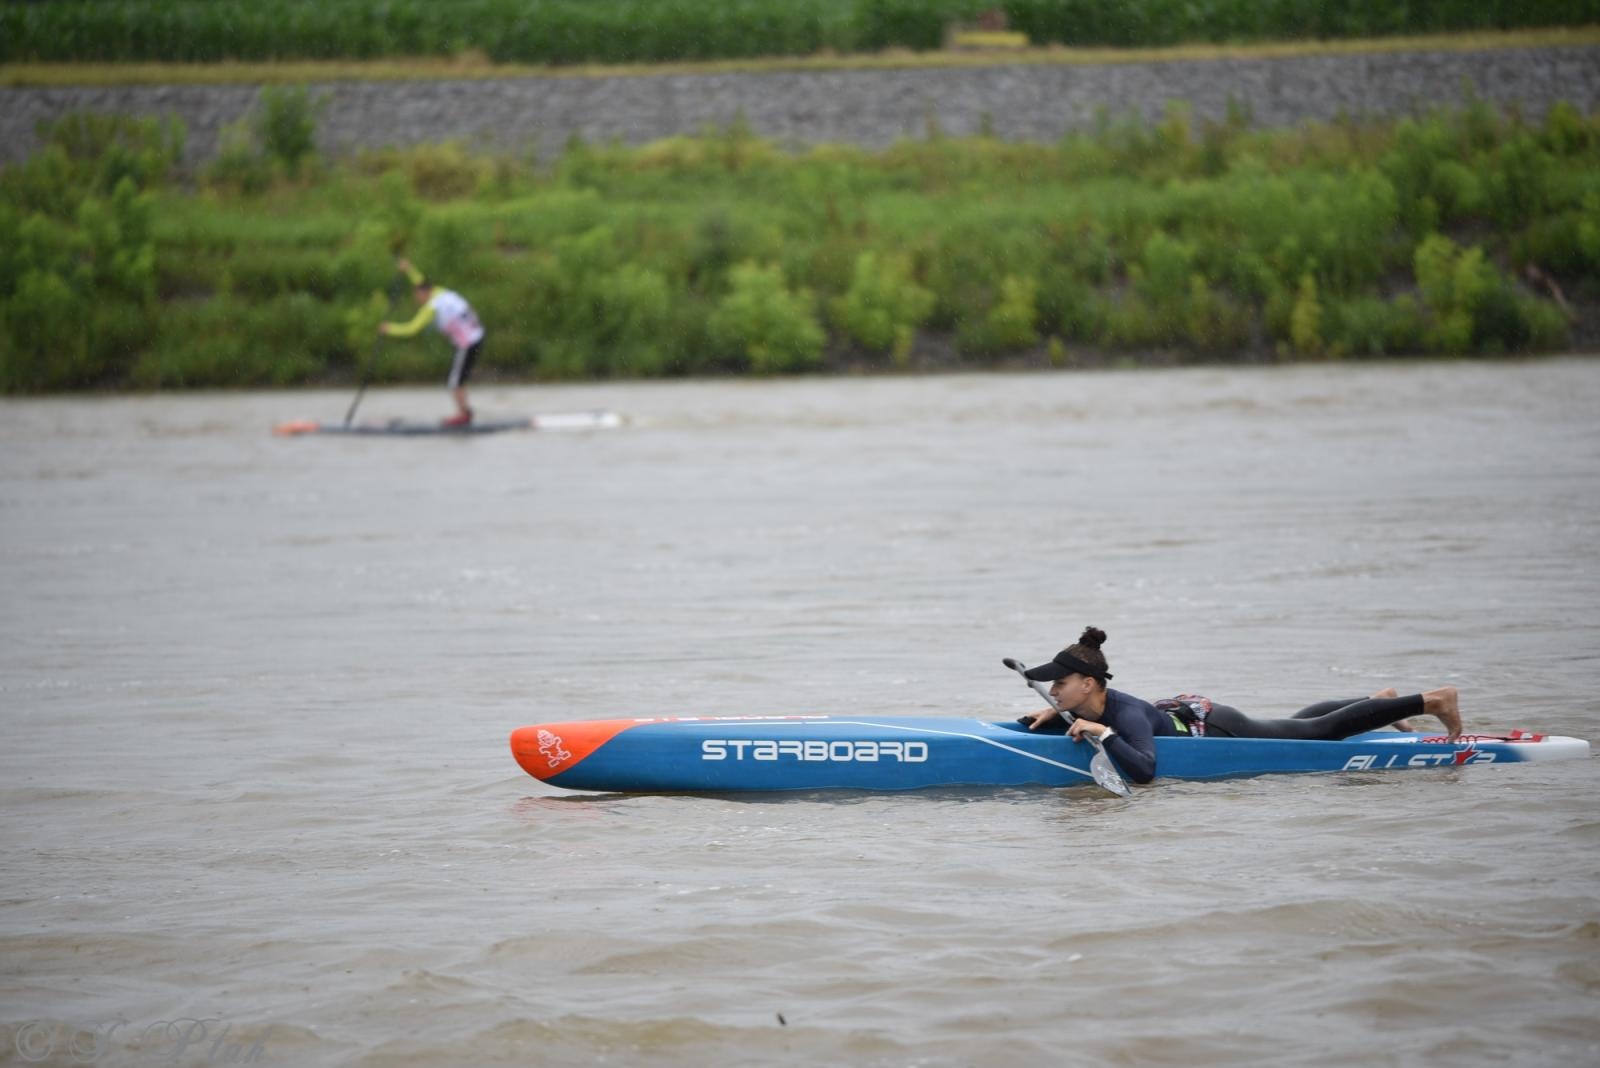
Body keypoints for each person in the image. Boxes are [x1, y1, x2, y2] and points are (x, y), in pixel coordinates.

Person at [1019, 627, 1464, 784]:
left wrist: (1105, 734)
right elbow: (1086, 718)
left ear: (1089, 683)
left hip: (1220, 728)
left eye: (1059, 684)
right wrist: (1057, 716)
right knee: (1293, 723)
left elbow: (1145, 771)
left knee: (1315, 733)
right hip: (1190, 712)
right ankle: (1376, 704)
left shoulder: (1124, 715)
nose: (1052, 690)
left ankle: (1433, 700)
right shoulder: (1085, 705)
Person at [378, 257, 485, 426]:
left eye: (417, 295)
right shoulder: (439, 291)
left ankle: (463, 415)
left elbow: (412, 329)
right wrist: (408, 269)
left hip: (468, 343)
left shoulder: (432, 307)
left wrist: (389, 329)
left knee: (455, 382)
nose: (416, 299)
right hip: (476, 337)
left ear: (424, 293)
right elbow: (420, 281)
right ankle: (466, 413)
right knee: (458, 380)